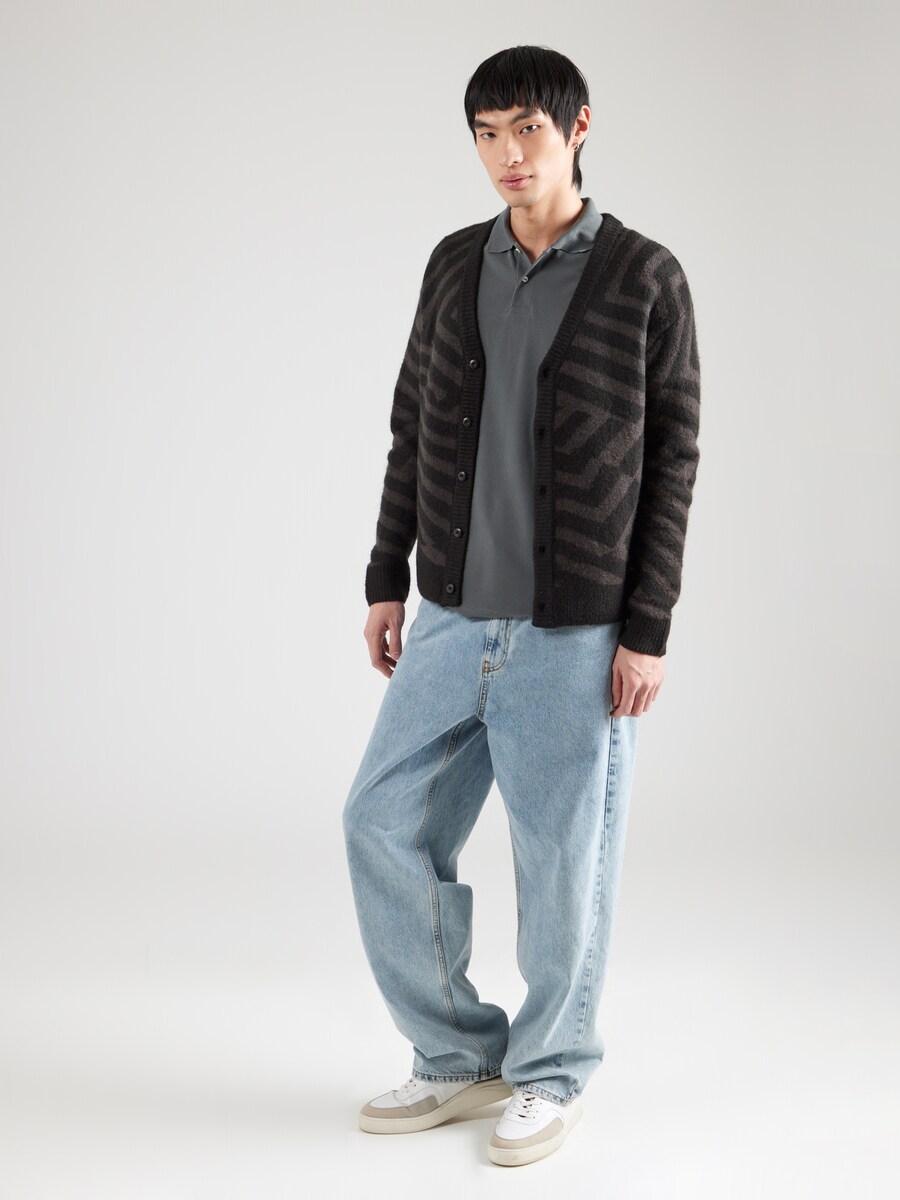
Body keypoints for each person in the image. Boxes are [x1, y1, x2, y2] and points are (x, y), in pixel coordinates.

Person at [342, 43, 701, 1168]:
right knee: (380, 822)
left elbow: (674, 458)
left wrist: (647, 629)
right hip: (453, 616)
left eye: (527, 130)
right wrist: (384, 573)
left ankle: (552, 1074)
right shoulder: (456, 262)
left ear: (578, 126)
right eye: (487, 134)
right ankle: (458, 1055)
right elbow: (412, 421)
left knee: (560, 866)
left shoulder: (645, 276)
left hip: (574, 630)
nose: (506, 154)